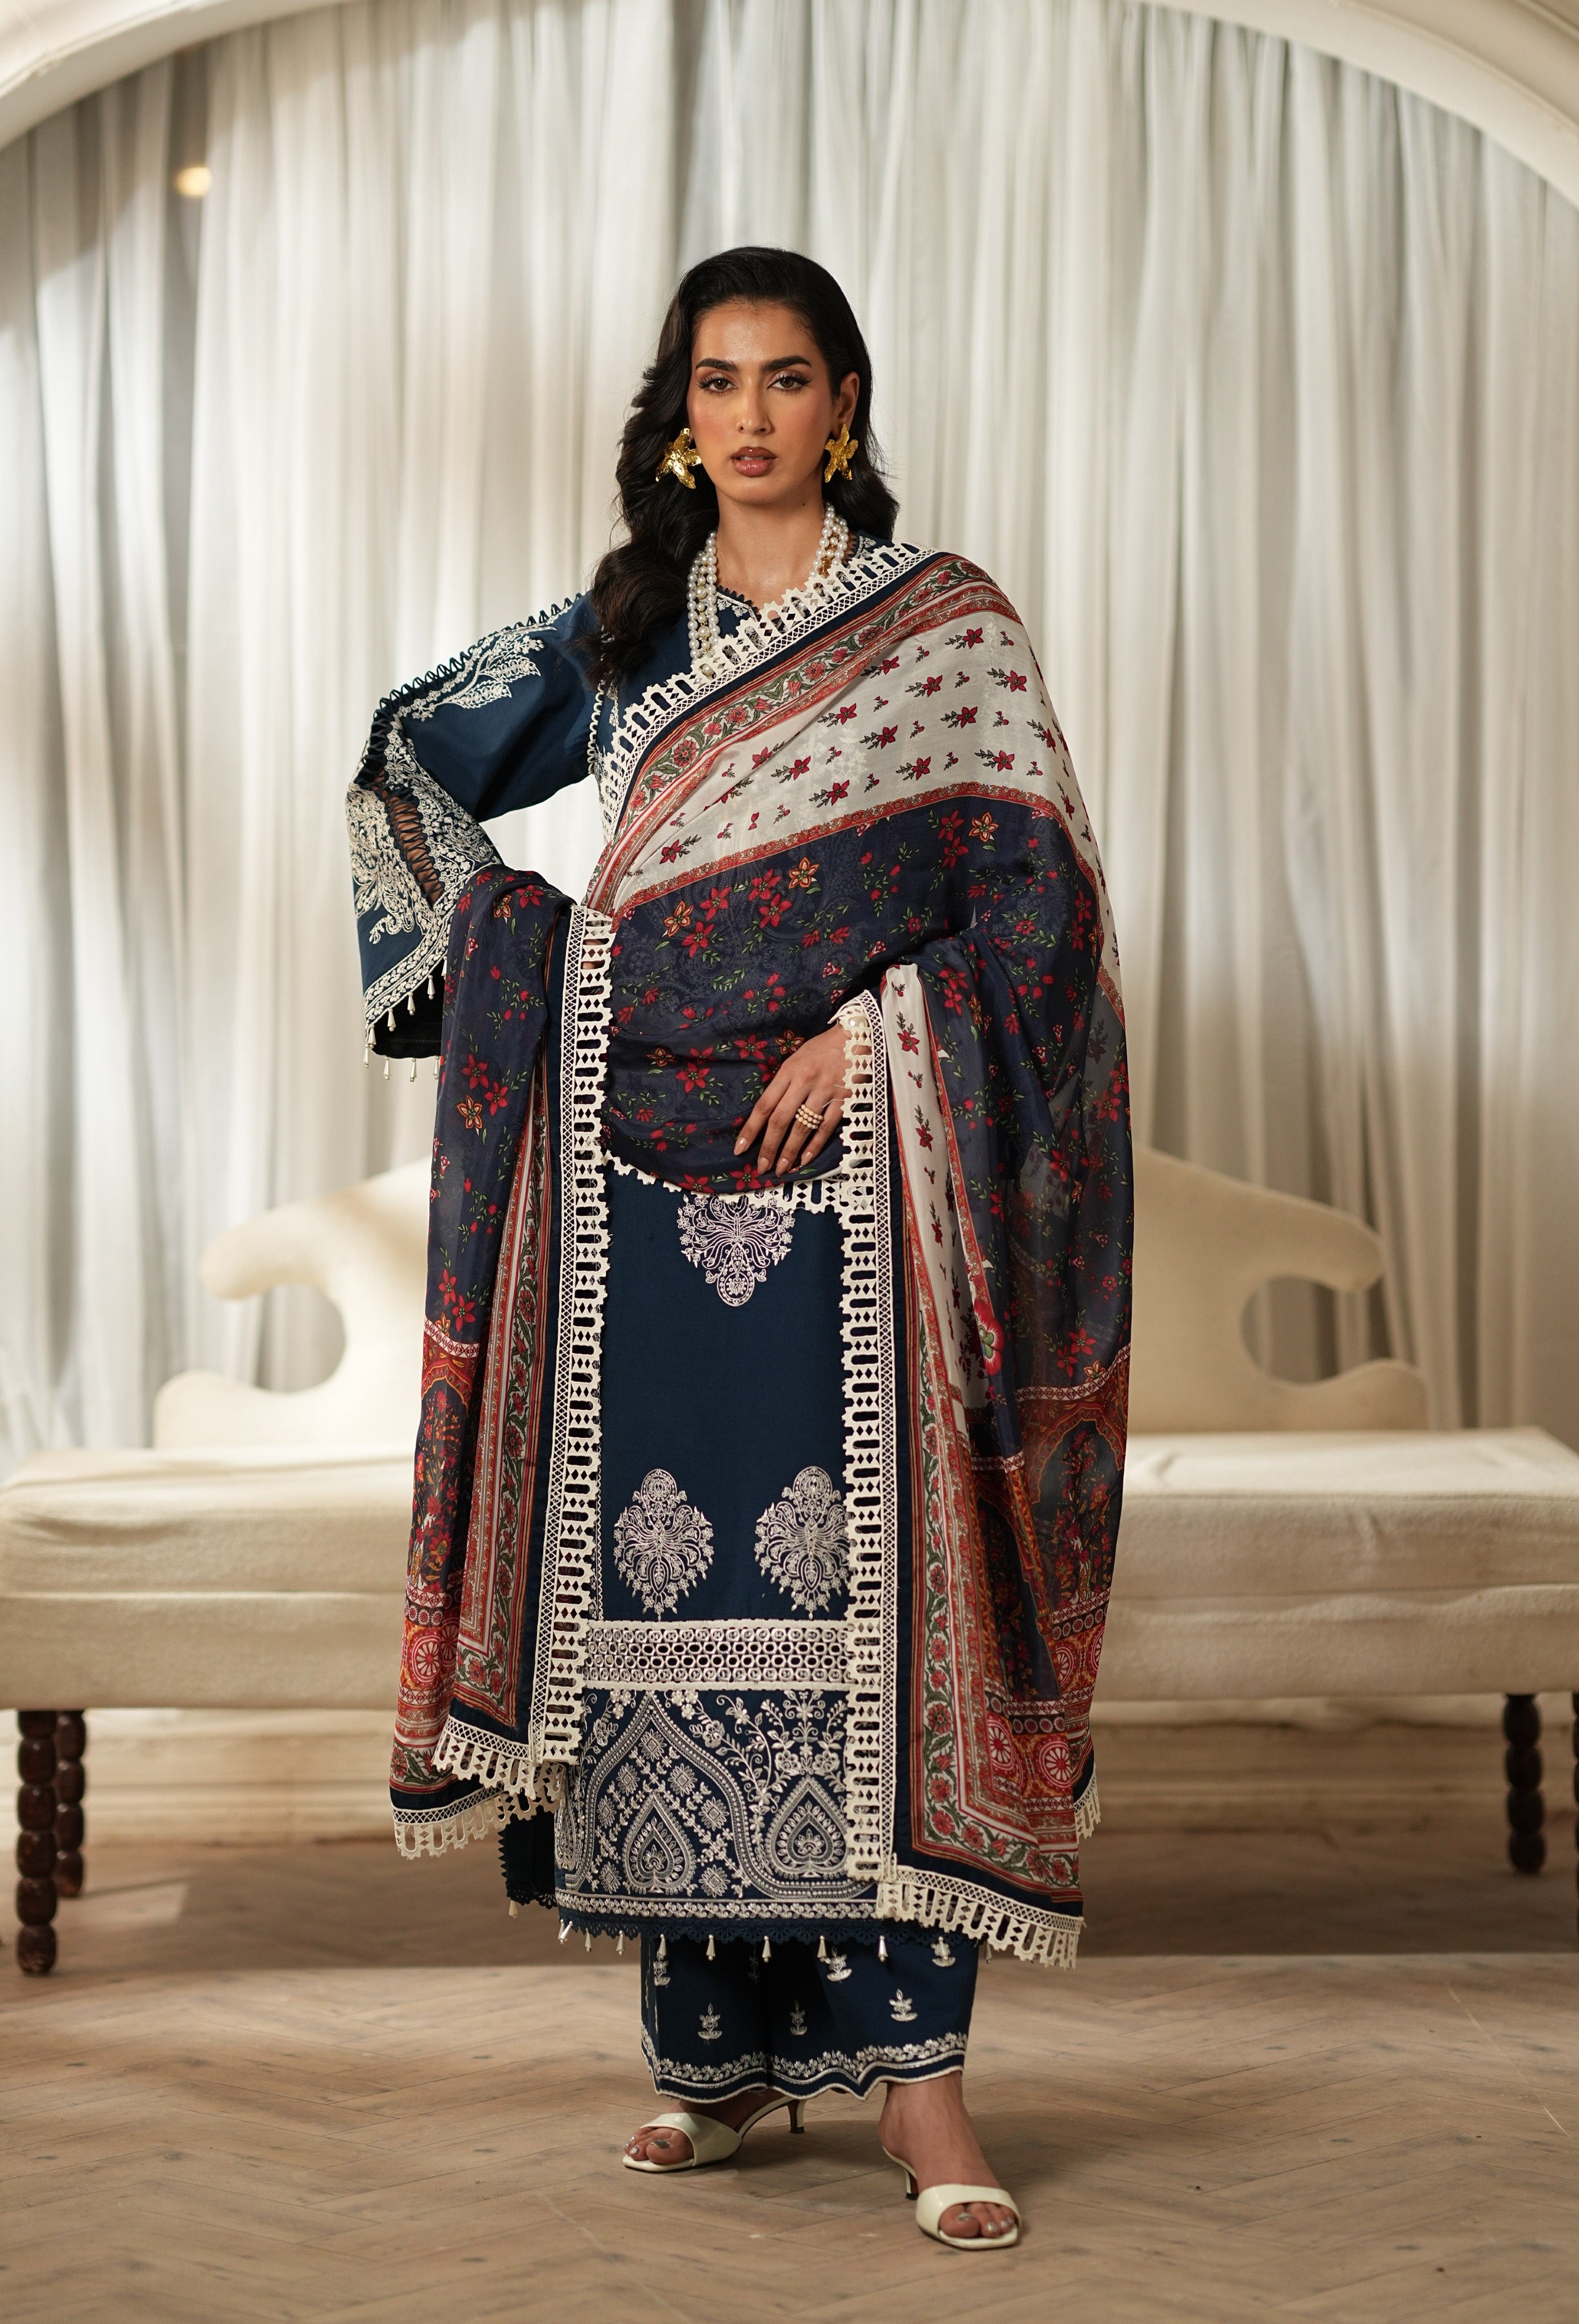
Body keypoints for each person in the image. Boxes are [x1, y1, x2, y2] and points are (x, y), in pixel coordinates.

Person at [347, 246, 1131, 2251]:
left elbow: (1035, 921)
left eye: (788, 377)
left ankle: (919, 2091)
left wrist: (877, 1036)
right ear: (679, 413)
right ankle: (718, 2061)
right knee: (657, 1606)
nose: (754, 413)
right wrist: (533, 962)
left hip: (867, 1189)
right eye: (718, 379)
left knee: (872, 1620)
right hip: (627, 1192)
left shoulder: (942, 630)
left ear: (842, 402)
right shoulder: (618, 636)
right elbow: (407, 764)